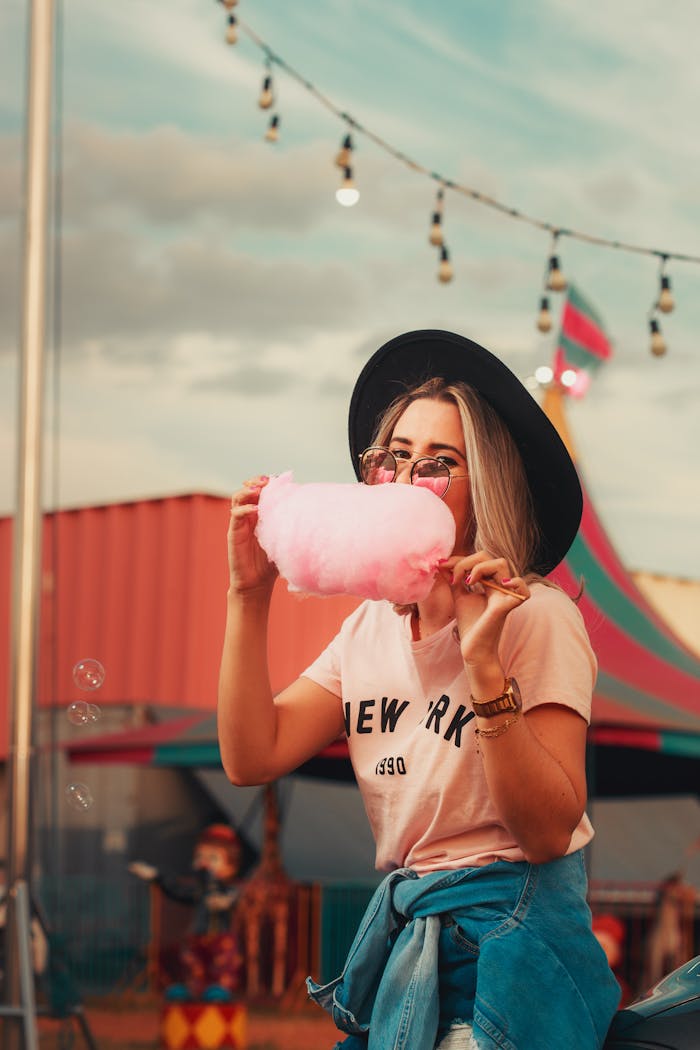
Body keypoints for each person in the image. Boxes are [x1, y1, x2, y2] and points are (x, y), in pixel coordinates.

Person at [218, 329, 621, 1049]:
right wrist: (249, 597)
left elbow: (549, 830)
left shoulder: (536, 615)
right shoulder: (367, 629)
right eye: (393, 459)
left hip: (511, 942)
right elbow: (253, 755)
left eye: (438, 464)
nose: (405, 480)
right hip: (413, 936)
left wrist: (483, 663)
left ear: (483, 486)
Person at [129, 823, 244, 1001]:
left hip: (220, 937)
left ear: (230, 867)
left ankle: (220, 989)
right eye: (200, 857)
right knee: (193, 962)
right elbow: (177, 890)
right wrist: (156, 876)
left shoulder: (226, 890)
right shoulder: (198, 891)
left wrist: (224, 901)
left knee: (222, 963)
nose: (204, 863)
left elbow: (234, 897)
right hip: (197, 936)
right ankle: (193, 989)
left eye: (212, 858)